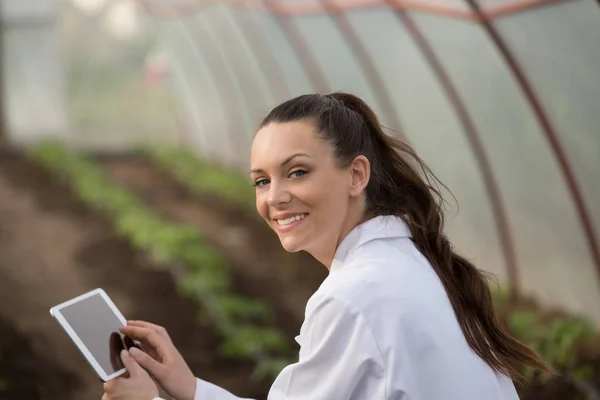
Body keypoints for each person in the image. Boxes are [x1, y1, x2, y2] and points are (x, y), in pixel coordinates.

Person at [102, 93, 548, 400]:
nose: (274, 196)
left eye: (296, 172)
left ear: (356, 175)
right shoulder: (412, 263)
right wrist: (191, 388)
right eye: (261, 180)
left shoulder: (353, 297)